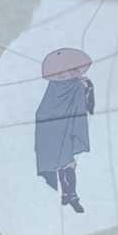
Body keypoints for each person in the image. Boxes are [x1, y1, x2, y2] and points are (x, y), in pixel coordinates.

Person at [36, 48, 95, 214]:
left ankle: (69, 195)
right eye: (65, 73)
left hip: (68, 129)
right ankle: (69, 195)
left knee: (67, 163)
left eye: (73, 71)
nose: (69, 75)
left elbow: (88, 107)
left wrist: (88, 89)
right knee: (62, 163)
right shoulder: (55, 87)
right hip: (53, 130)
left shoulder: (78, 85)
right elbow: (44, 109)